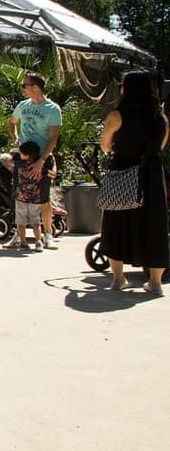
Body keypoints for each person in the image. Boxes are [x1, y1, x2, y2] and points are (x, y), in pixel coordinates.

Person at [99, 71, 168, 295]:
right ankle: (155, 283)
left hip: (123, 169)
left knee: (116, 222)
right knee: (154, 224)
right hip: (151, 175)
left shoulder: (117, 115)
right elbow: (161, 147)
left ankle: (119, 279)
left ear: (126, 89)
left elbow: (105, 145)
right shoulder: (161, 118)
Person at [9, 72, 62, 248]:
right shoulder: (23, 105)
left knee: (44, 198)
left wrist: (43, 160)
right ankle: (18, 235)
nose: (22, 88)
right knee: (19, 195)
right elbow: (11, 122)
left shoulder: (52, 109)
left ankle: (48, 235)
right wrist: (15, 137)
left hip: (41, 157)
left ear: (35, 87)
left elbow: (54, 137)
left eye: (25, 85)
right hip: (23, 157)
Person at [0, 141, 46, 251]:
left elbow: (11, 160)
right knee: (36, 221)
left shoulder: (19, 165)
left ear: (26, 154)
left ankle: (23, 242)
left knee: (21, 222)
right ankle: (38, 242)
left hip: (21, 198)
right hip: (35, 198)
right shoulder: (39, 166)